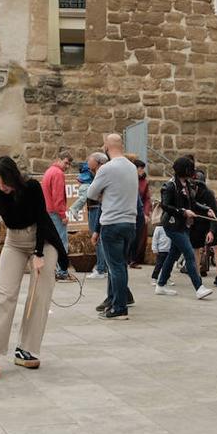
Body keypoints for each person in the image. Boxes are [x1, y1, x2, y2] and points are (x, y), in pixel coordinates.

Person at [0, 157, 67, 376]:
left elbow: (42, 219)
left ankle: (25, 349)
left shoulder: (31, 187)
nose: (2, 188)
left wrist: (39, 254)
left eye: (5, 183)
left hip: (42, 240)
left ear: (14, 177)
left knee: (40, 294)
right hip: (15, 242)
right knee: (5, 294)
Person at [87, 134, 139, 320]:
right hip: (130, 223)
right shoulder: (132, 167)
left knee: (115, 267)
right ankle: (113, 299)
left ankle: (119, 307)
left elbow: (92, 193)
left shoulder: (107, 168)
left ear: (107, 147)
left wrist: (104, 193)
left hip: (112, 222)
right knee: (120, 265)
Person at [154, 156, 214, 300]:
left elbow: (192, 203)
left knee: (173, 255)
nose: (192, 171)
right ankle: (199, 287)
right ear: (184, 170)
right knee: (189, 253)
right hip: (172, 225)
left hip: (183, 225)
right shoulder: (169, 186)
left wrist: (206, 209)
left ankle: (161, 284)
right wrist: (183, 212)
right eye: (189, 168)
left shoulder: (187, 184)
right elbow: (166, 206)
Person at [189, 165, 217, 287]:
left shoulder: (209, 194)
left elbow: (215, 214)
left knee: (216, 245)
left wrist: (211, 231)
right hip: (198, 222)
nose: (196, 187)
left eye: (199, 184)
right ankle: (197, 275)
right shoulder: (190, 193)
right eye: (195, 184)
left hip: (212, 220)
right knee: (196, 247)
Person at [40, 150, 72, 280]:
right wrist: (63, 215)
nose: (67, 166)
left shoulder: (49, 172)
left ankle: (53, 270)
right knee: (61, 242)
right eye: (66, 162)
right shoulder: (58, 173)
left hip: (48, 212)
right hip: (55, 212)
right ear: (59, 159)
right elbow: (58, 197)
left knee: (51, 243)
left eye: (69, 164)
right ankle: (62, 271)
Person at [83, 152, 109, 280]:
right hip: (95, 207)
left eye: (90, 160)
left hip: (96, 208)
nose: (88, 162)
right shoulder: (97, 174)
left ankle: (100, 268)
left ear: (98, 162)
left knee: (98, 238)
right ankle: (102, 267)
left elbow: (93, 193)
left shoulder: (101, 174)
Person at [129, 159, 151, 269]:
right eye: (140, 168)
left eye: (143, 168)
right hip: (128, 211)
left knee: (138, 237)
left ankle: (134, 259)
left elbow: (147, 199)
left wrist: (146, 213)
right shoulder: (128, 180)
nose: (142, 171)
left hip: (140, 213)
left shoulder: (144, 182)